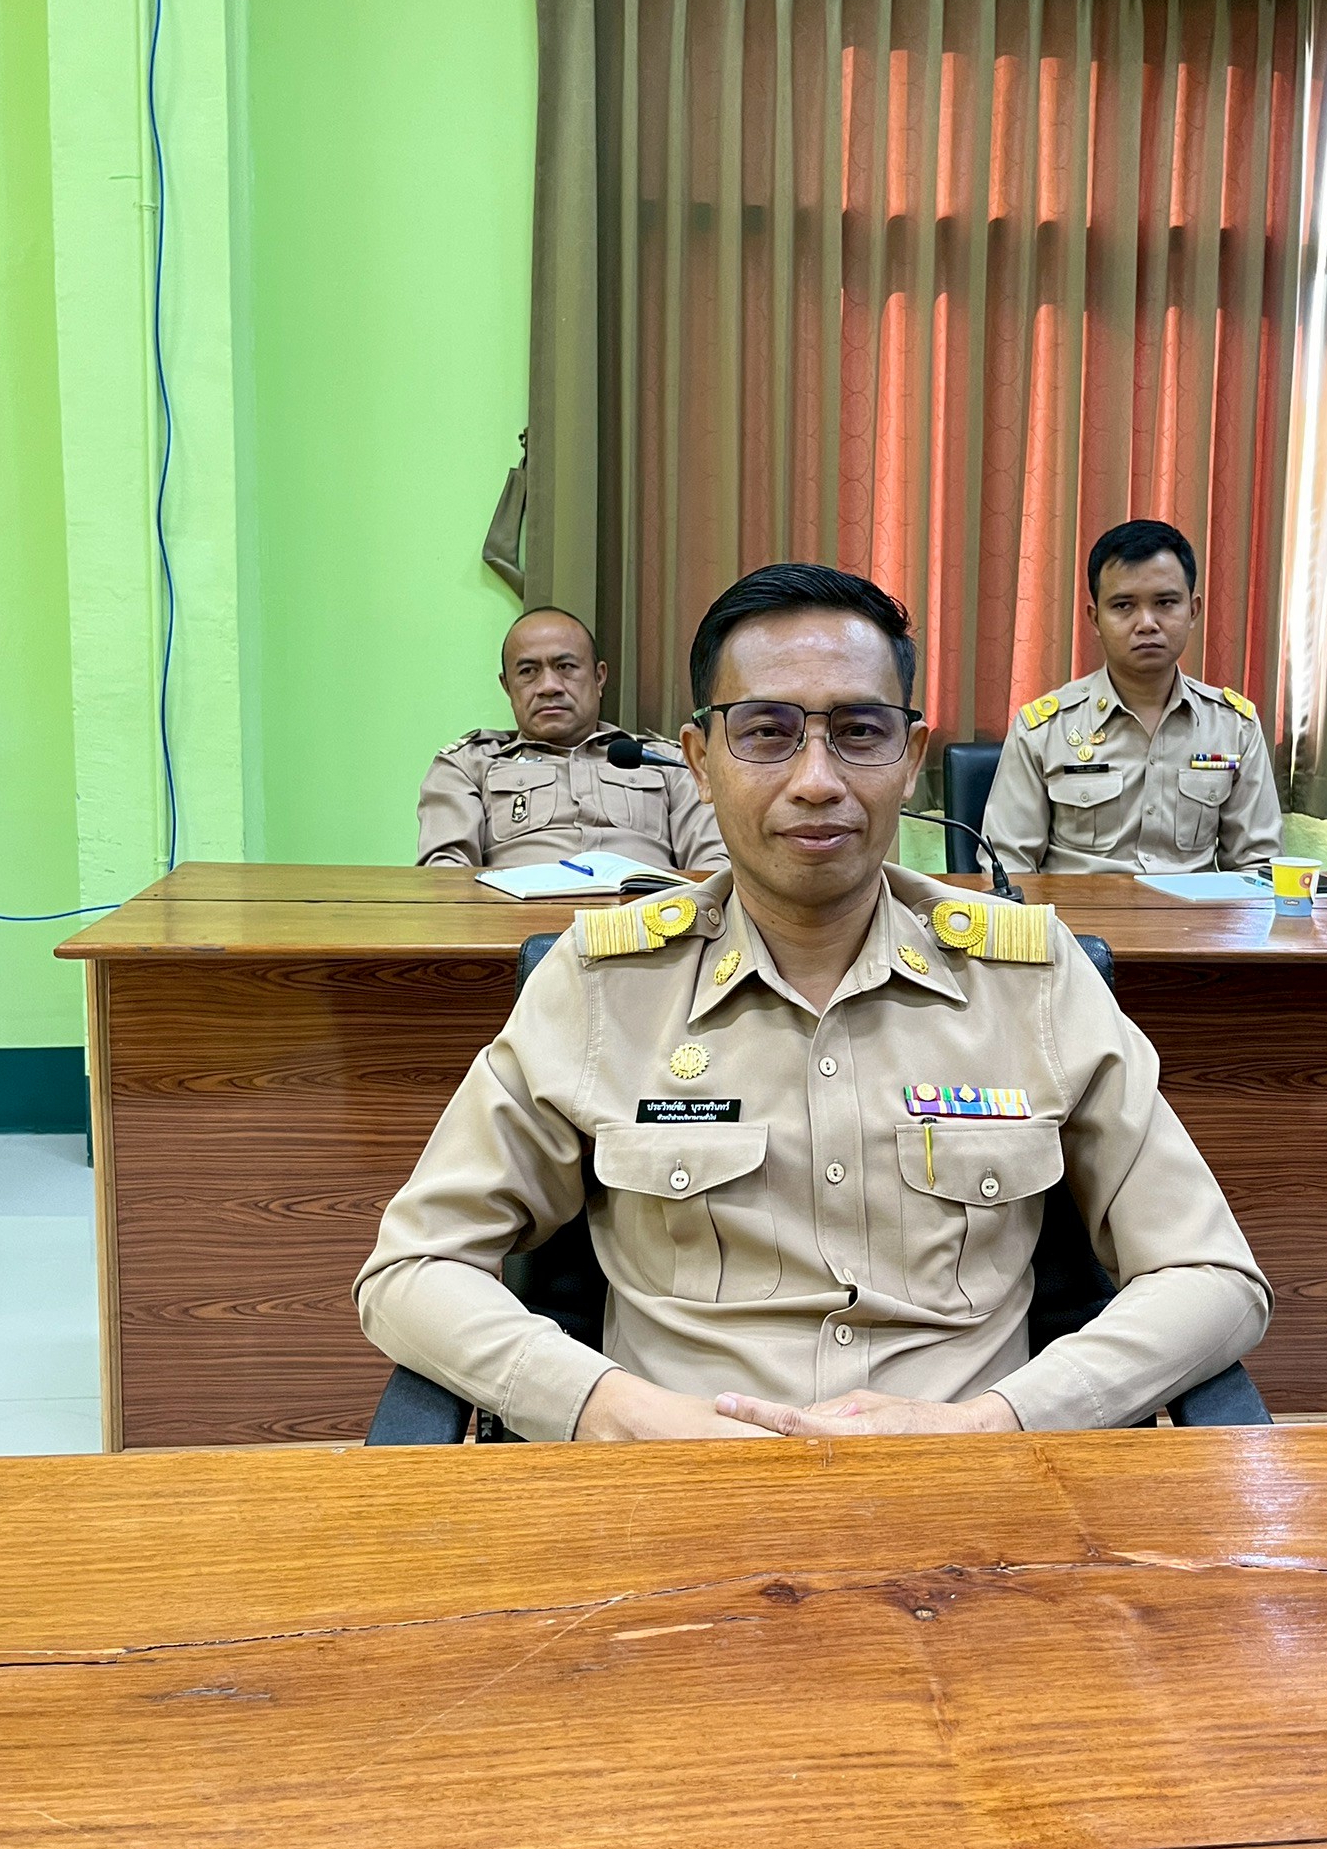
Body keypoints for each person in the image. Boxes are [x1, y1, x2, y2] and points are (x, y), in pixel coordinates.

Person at [357, 562, 1270, 1444]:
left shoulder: (1027, 979)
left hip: (968, 1486)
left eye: (861, 732)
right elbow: (413, 1269)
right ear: (700, 763)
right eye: (767, 732)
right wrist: (614, 1411)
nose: (818, 779)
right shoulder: (604, 987)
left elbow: (1213, 1276)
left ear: (910, 759)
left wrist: (998, 1422)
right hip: (672, 1490)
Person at [981, 520, 1283, 877]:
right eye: (1123, 606)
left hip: (1194, 913)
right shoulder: (1045, 730)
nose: (1147, 623)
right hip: (1075, 912)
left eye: (1165, 603)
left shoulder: (1234, 727)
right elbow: (1008, 868)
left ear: (1193, 611)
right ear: (1095, 619)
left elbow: (1257, 866)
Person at [415, 606, 725, 875]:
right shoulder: (468, 765)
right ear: (507, 687)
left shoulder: (668, 762)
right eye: (528, 671)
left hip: (655, 919)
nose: (549, 686)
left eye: (565, 667)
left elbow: (716, 866)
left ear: (599, 677)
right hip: (517, 922)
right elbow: (445, 876)